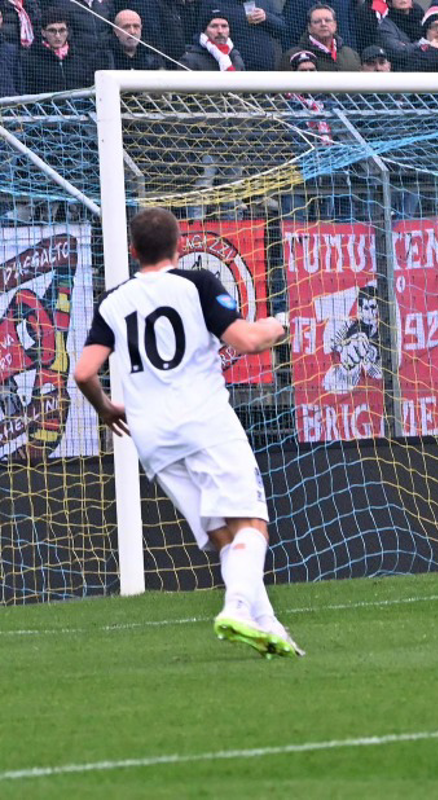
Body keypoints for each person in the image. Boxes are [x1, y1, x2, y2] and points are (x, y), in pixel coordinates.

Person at [72, 208, 301, 657]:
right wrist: (280, 325)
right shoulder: (196, 284)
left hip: (153, 438)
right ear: (179, 245)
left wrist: (105, 408)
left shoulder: (113, 301)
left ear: (133, 251)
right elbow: (247, 341)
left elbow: (83, 373)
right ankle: (235, 607)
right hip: (204, 423)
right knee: (252, 523)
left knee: (225, 538)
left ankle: (270, 626)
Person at [20, 11, 98, 93]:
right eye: (52, 30)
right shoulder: (29, 60)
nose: (57, 36)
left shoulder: (80, 57)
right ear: (43, 32)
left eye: (62, 30)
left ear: (67, 32)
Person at [280, 3, 361, 70]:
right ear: (309, 27)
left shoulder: (351, 54)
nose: (323, 24)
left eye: (328, 20)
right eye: (317, 21)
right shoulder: (293, 56)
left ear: (335, 25)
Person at [182, 10, 248, 71]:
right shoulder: (190, 60)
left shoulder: (235, 57)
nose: (220, 31)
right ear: (204, 31)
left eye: (224, 26)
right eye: (214, 26)